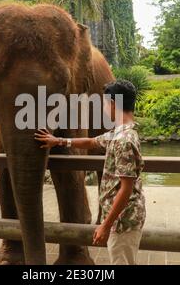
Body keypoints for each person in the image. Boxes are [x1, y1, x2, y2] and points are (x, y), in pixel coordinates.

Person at [34, 80, 146, 265]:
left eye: (103, 103)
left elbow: (126, 190)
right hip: (122, 219)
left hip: (123, 221)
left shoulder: (124, 140)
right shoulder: (120, 133)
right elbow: (93, 142)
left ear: (112, 103)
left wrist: (105, 225)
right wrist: (59, 141)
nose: (102, 107)